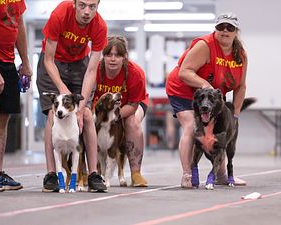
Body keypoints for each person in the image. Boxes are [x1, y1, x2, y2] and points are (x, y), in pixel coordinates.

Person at [165, 12, 248, 188]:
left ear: (236, 32)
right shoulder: (205, 45)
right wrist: (204, 85)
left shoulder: (240, 55)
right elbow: (184, 72)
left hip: (212, 94)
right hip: (184, 88)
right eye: (221, 27)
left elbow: (241, 86)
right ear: (215, 29)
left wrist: (236, 114)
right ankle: (187, 174)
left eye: (230, 27)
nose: (225, 30)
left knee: (220, 131)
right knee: (191, 127)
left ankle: (222, 176)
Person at [36, 0, 107, 192]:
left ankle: (93, 173)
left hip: (79, 64)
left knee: (86, 116)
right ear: (74, 4)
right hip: (53, 63)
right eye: (82, 5)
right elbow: (48, 60)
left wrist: (81, 107)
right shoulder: (60, 14)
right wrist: (63, 89)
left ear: (98, 6)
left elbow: (92, 70)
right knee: (54, 114)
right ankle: (52, 174)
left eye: (92, 7)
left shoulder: (99, 26)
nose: (87, 11)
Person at [93, 35, 148, 187]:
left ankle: (136, 174)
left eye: (117, 55)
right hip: (103, 108)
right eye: (109, 54)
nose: (112, 59)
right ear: (103, 56)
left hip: (132, 104)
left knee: (132, 122)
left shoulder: (135, 73)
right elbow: (90, 99)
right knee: (89, 121)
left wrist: (114, 117)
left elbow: (133, 105)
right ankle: (92, 171)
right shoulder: (95, 70)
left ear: (125, 57)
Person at [0, 0, 32, 192]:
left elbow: (20, 27)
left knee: (3, 118)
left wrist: (25, 62)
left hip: (8, 60)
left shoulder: (18, 1)